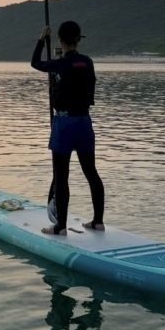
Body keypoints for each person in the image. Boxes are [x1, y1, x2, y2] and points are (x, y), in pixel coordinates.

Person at [31, 21, 105, 236]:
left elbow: (36, 63)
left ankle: (60, 226)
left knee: (61, 176)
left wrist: (41, 39)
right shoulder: (87, 62)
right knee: (91, 173)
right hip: (84, 123)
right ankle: (98, 221)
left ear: (61, 41)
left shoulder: (61, 65)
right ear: (78, 39)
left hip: (64, 124)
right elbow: (76, 71)